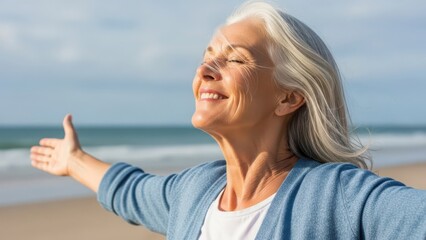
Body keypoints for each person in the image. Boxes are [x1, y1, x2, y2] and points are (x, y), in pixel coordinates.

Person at [30, 1, 425, 239]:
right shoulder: (193, 193)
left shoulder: (340, 198)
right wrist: (74, 161)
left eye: (234, 58)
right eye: (207, 55)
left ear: (289, 97)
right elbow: (131, 191)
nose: (206, 68)